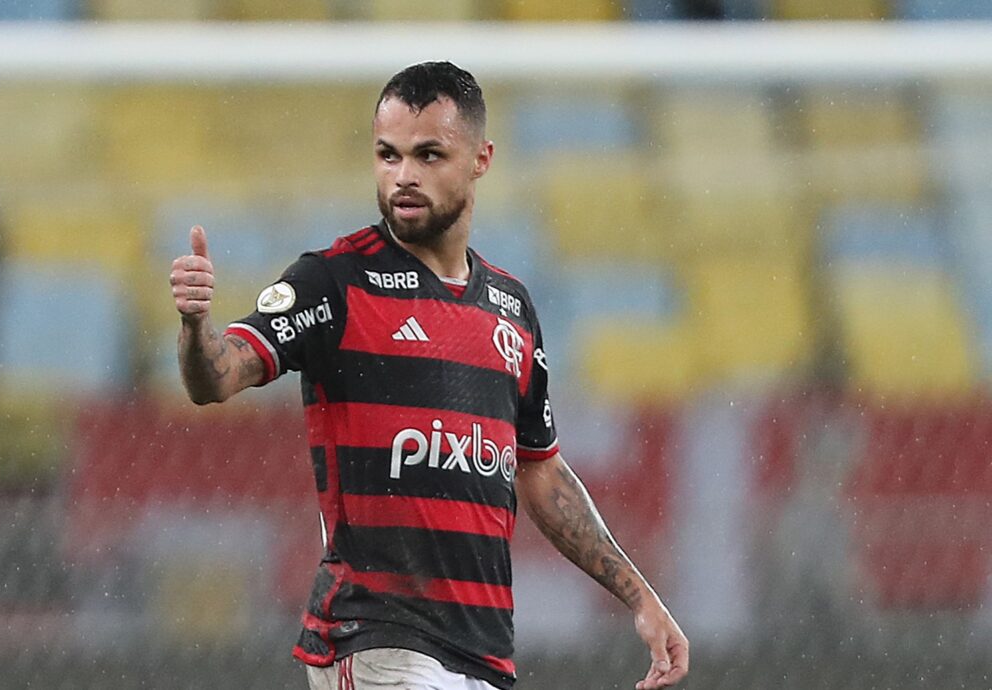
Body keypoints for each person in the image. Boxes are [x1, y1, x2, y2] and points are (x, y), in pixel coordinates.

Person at [170, 61, 688, 690]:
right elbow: (215, 377)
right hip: (378, 637)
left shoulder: (511, 310)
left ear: (480, 159)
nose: (403, 176)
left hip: (482, 652)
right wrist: (197, 328)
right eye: (388, 155)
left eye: (428, 155)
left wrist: (639, 597)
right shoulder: (333, 281)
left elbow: (539, 469)